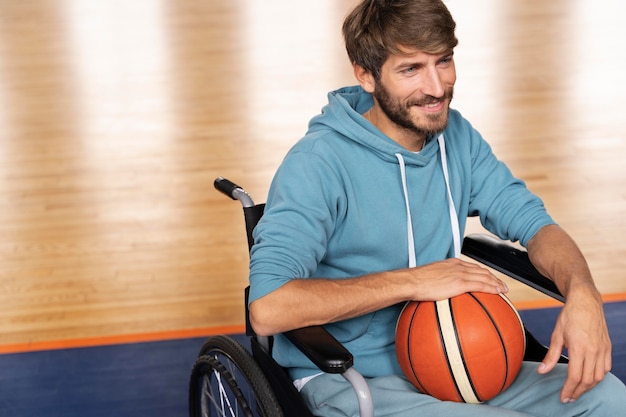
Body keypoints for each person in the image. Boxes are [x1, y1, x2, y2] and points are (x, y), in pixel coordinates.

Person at [247, 0, 626, 415]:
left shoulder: (457, 137)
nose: (436, 87)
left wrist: (583, 292)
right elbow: (269, 308)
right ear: (365, 75)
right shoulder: (317, 163)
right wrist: (412, 281)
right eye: (411, 69)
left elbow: (536, 225)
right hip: (351, 377)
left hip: (453, 356)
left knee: (608, 397)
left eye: (443, 61)